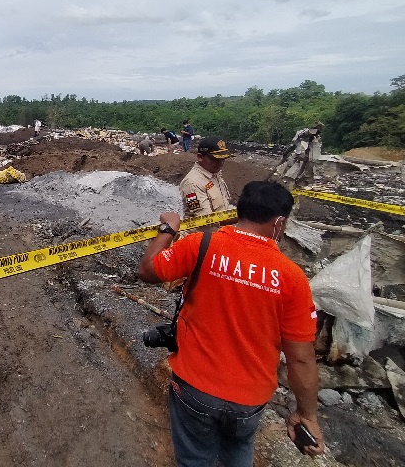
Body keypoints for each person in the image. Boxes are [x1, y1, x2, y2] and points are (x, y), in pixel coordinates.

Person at [137, 180, 325, 466]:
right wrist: (306, 414)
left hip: (193, 386)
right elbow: (300, 359)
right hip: (248, 399)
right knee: (238, 454)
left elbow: (148, 271)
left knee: (193, 459)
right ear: (279, 223)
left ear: (239, 210)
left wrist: (168, 230)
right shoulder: (292, 278)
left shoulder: (201, 245)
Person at [179, 136, 235, 218]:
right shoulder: (192, 184)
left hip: (222, 227)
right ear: (200, 157)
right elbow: (205, 219)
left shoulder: (215, 175)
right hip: (206, 230)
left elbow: (224, 206)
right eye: (215, 159)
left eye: (223, 159)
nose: (221, 162)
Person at [274, 122, 324, 190]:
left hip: (306, 159)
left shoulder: (315, 139)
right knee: (291, 176)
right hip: (300, 158)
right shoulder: (303, 136)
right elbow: (293, 147)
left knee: (300, 176)